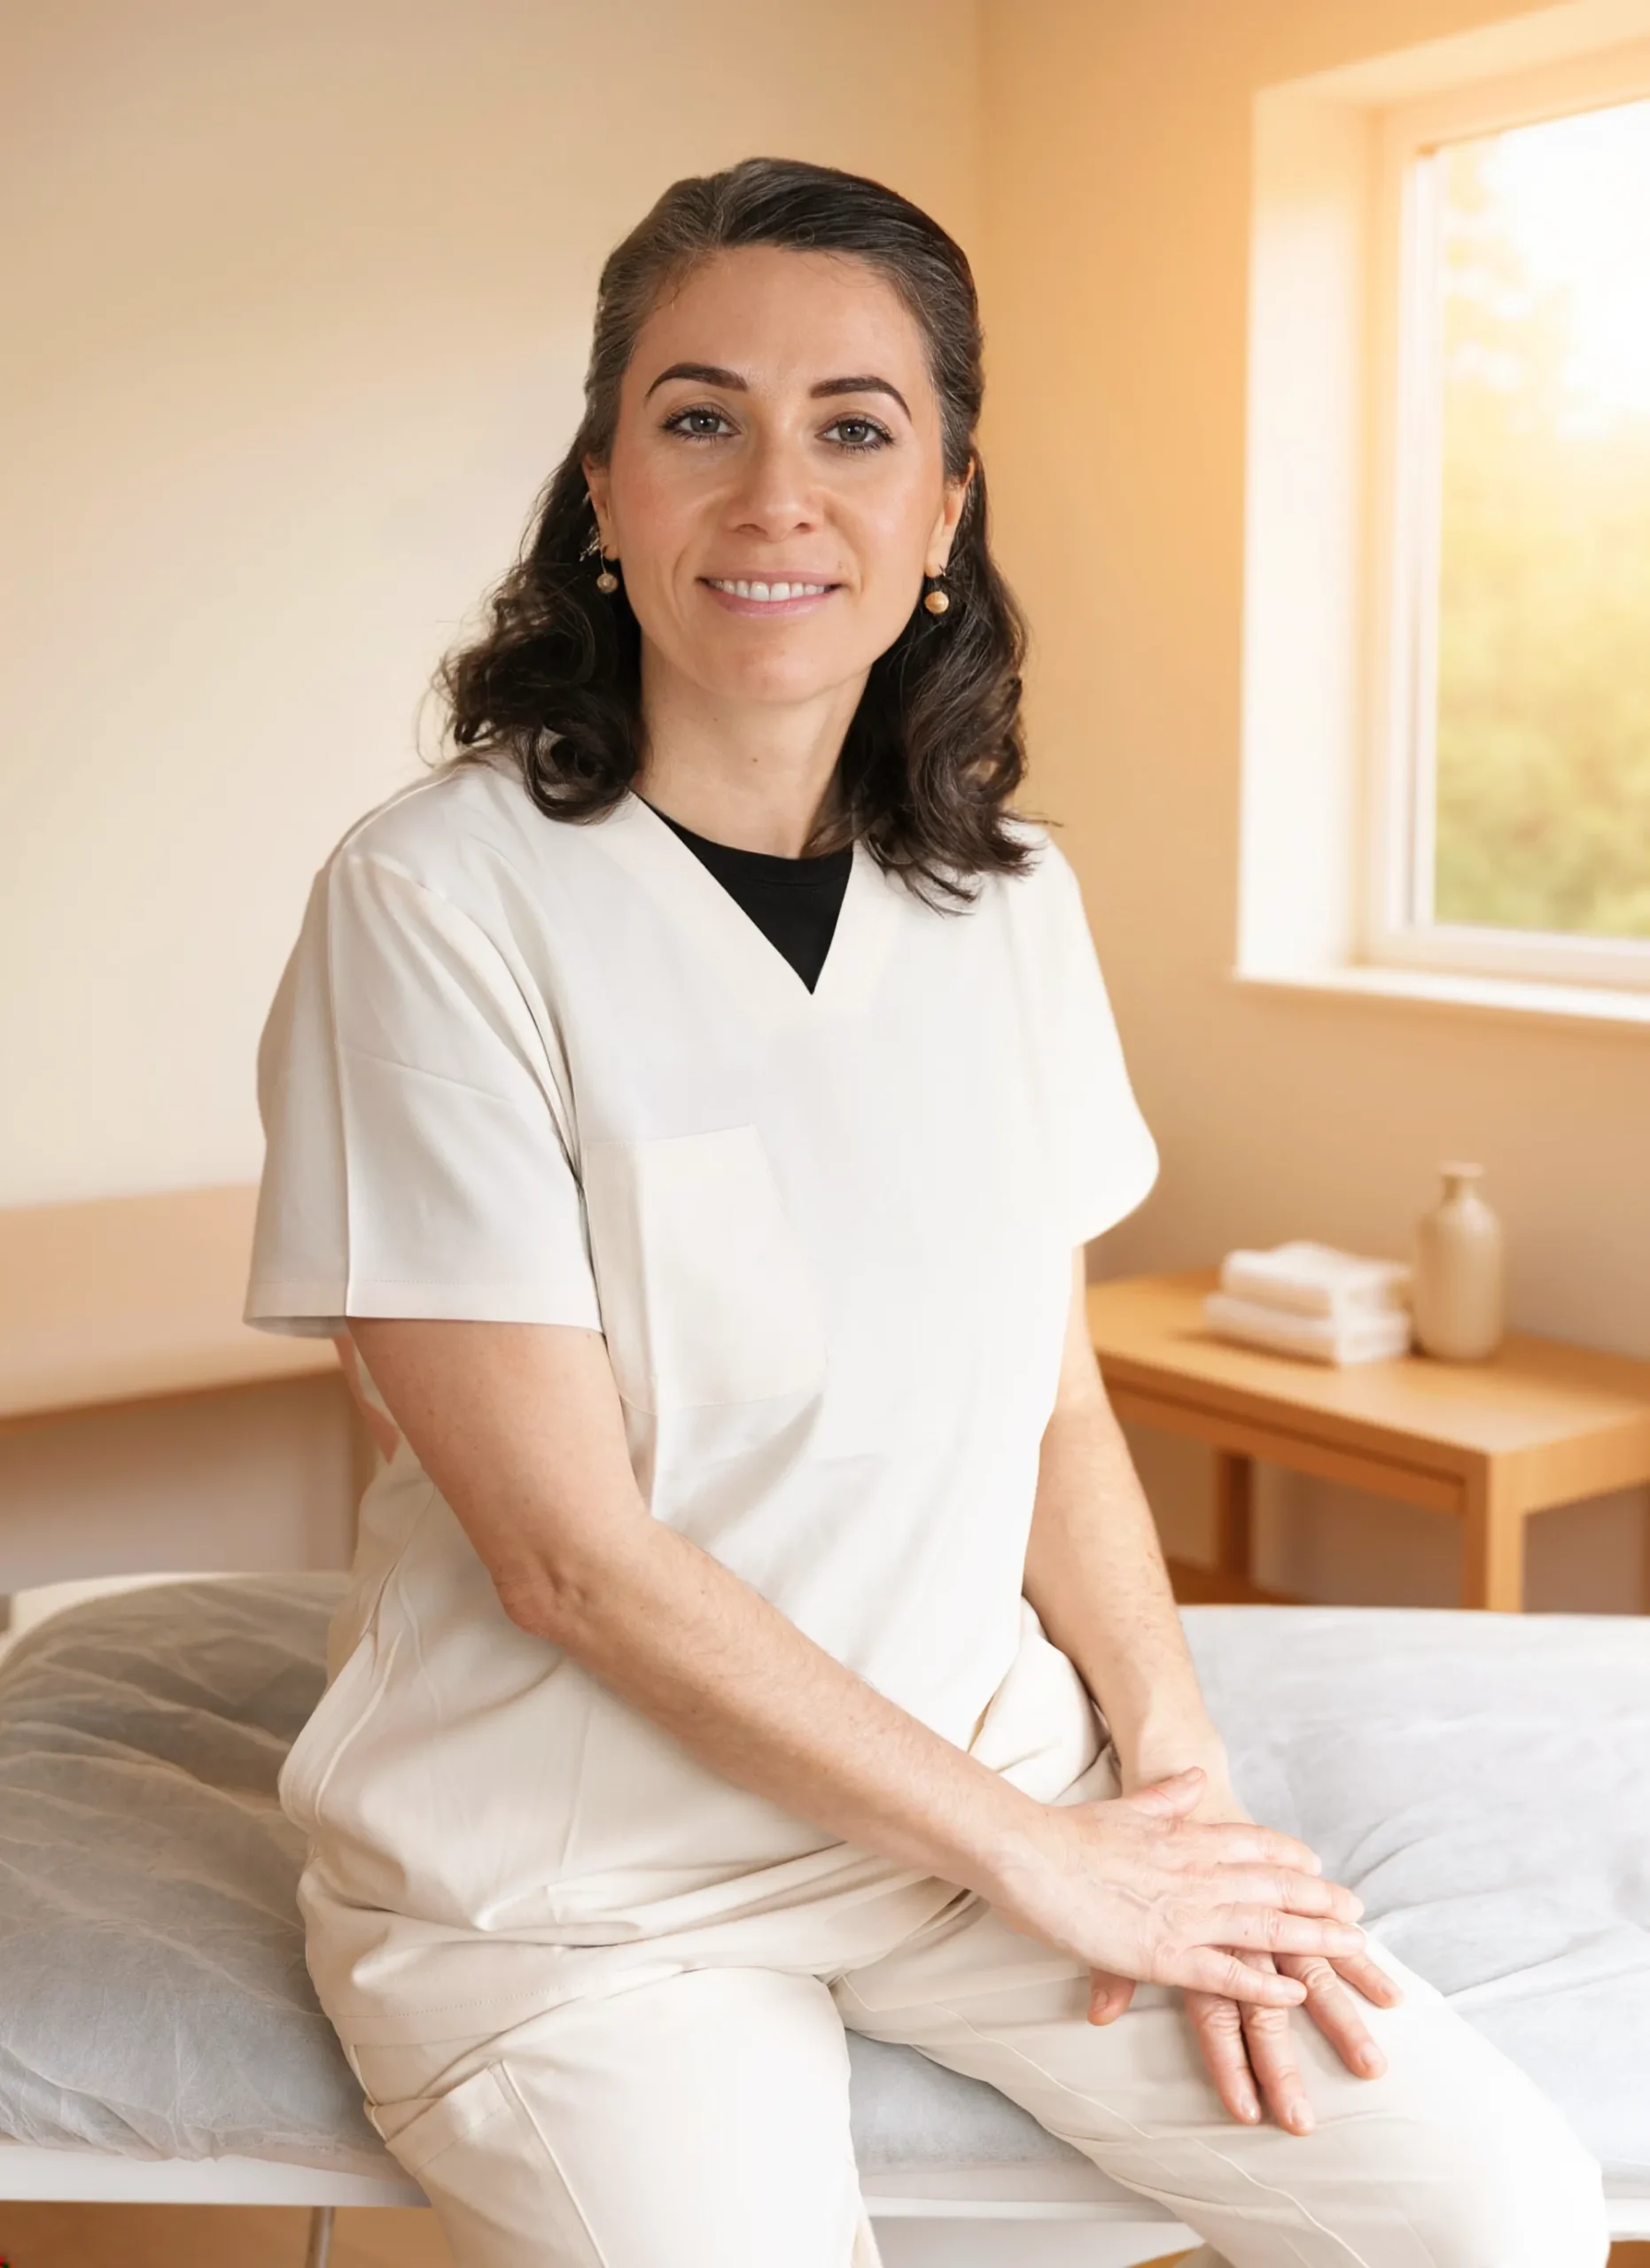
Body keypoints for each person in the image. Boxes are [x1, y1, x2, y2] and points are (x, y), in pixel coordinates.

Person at [245, 158, 1607, 2268]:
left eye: (855, 429)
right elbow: (566, 1558)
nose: (777, 491)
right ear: (601, 489)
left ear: (943, 510)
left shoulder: (1007, 899)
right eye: (698, 418)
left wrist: (1166, 1788)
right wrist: (1050, 1867)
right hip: (588, 1883)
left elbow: (1052, 1404)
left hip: (997, 1803)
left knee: (1492, 2205)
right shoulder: (435, 901)